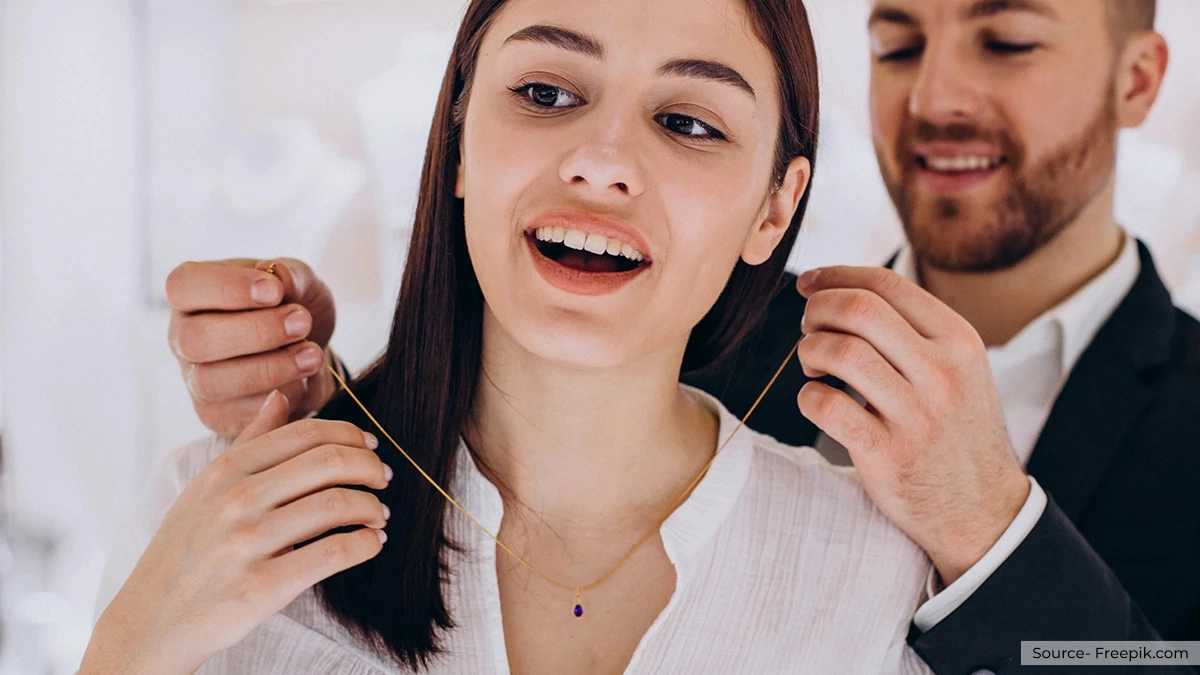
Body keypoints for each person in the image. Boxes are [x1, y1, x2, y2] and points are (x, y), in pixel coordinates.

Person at [160, 0, 1200, 673]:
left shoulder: (877, 555)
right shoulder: (716, 328)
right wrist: (328, 372)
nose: (933, 97)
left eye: (1009, 40)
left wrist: (994, 532)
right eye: (896, 43)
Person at [83, 0, 941, 672]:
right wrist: (128, 651)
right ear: (457, 137)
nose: (601, 159)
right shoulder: (221, 510)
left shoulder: (869, 566)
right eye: (545, 94)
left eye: (687, 123)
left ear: (775, 207)